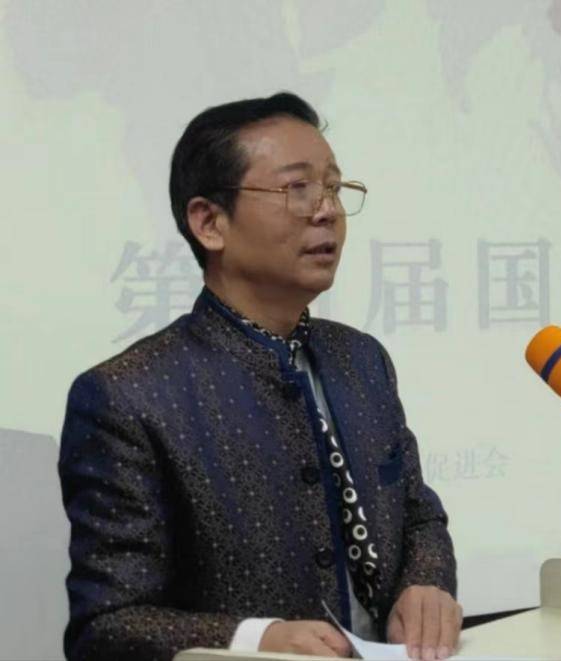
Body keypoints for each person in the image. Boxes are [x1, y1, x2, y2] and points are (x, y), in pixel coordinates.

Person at [58, 92, 461, 661]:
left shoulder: (361, 359)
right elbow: (107, 625)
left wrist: (428, 582)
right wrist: (255, 639)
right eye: (297, 189)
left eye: (334, 188)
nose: (327, 210)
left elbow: (417, 513)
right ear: (209, 223)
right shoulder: (128, 395)